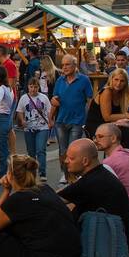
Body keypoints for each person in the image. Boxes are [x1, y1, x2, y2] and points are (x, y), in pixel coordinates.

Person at [0, 154, 81, 257]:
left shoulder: (18, 199)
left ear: (11, 176)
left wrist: (6, 190)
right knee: (9, 225)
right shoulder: (45, 188)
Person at [59, 138, 129, 253]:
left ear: (85, 161)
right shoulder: (102, 173)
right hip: (121, 241)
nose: (66, 161)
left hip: (110, 248)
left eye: (71, 158)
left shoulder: (89, 182)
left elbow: (54, 200)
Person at [49, 54, 94, 186]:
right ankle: (65, 173)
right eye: (63, 65)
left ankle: (74, 173)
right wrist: (50, 117)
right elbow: (55, 99)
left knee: (73, 149)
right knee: (63, 150)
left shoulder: (84, 80)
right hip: (61, 120)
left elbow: (90, 100)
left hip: (77, 120)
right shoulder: (60, 81)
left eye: (67, 64)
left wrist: (89, 117)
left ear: (75, 65)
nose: (64, 67)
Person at [15, 78, 52, 181]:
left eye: (35, 87)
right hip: (29, 128)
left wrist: (50, 121)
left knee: (40, 150)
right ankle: (32, 172)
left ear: (38, 87)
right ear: (28, 87)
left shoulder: (44, 98)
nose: (33, 89)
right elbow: (20, 111)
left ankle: (42, 172)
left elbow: (49, 111)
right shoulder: (23, 98)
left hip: (42, 127)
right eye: (31, 87)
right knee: (31, 152)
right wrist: (22, 121)